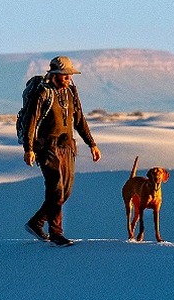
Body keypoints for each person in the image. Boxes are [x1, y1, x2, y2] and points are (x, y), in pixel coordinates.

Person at [22, 56, 102, 246]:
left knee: (66, 191)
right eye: (65, 76)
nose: (68, 79)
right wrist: (29, 148)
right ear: (55, 74)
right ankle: (56, 234)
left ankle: (36, 222)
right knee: (55, 188)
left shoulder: (71, 92)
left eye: (69, 76)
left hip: (68, 147)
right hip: (47, 147)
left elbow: (80, 120)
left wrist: (92, 144)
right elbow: (31, 122)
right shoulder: (42, 93)